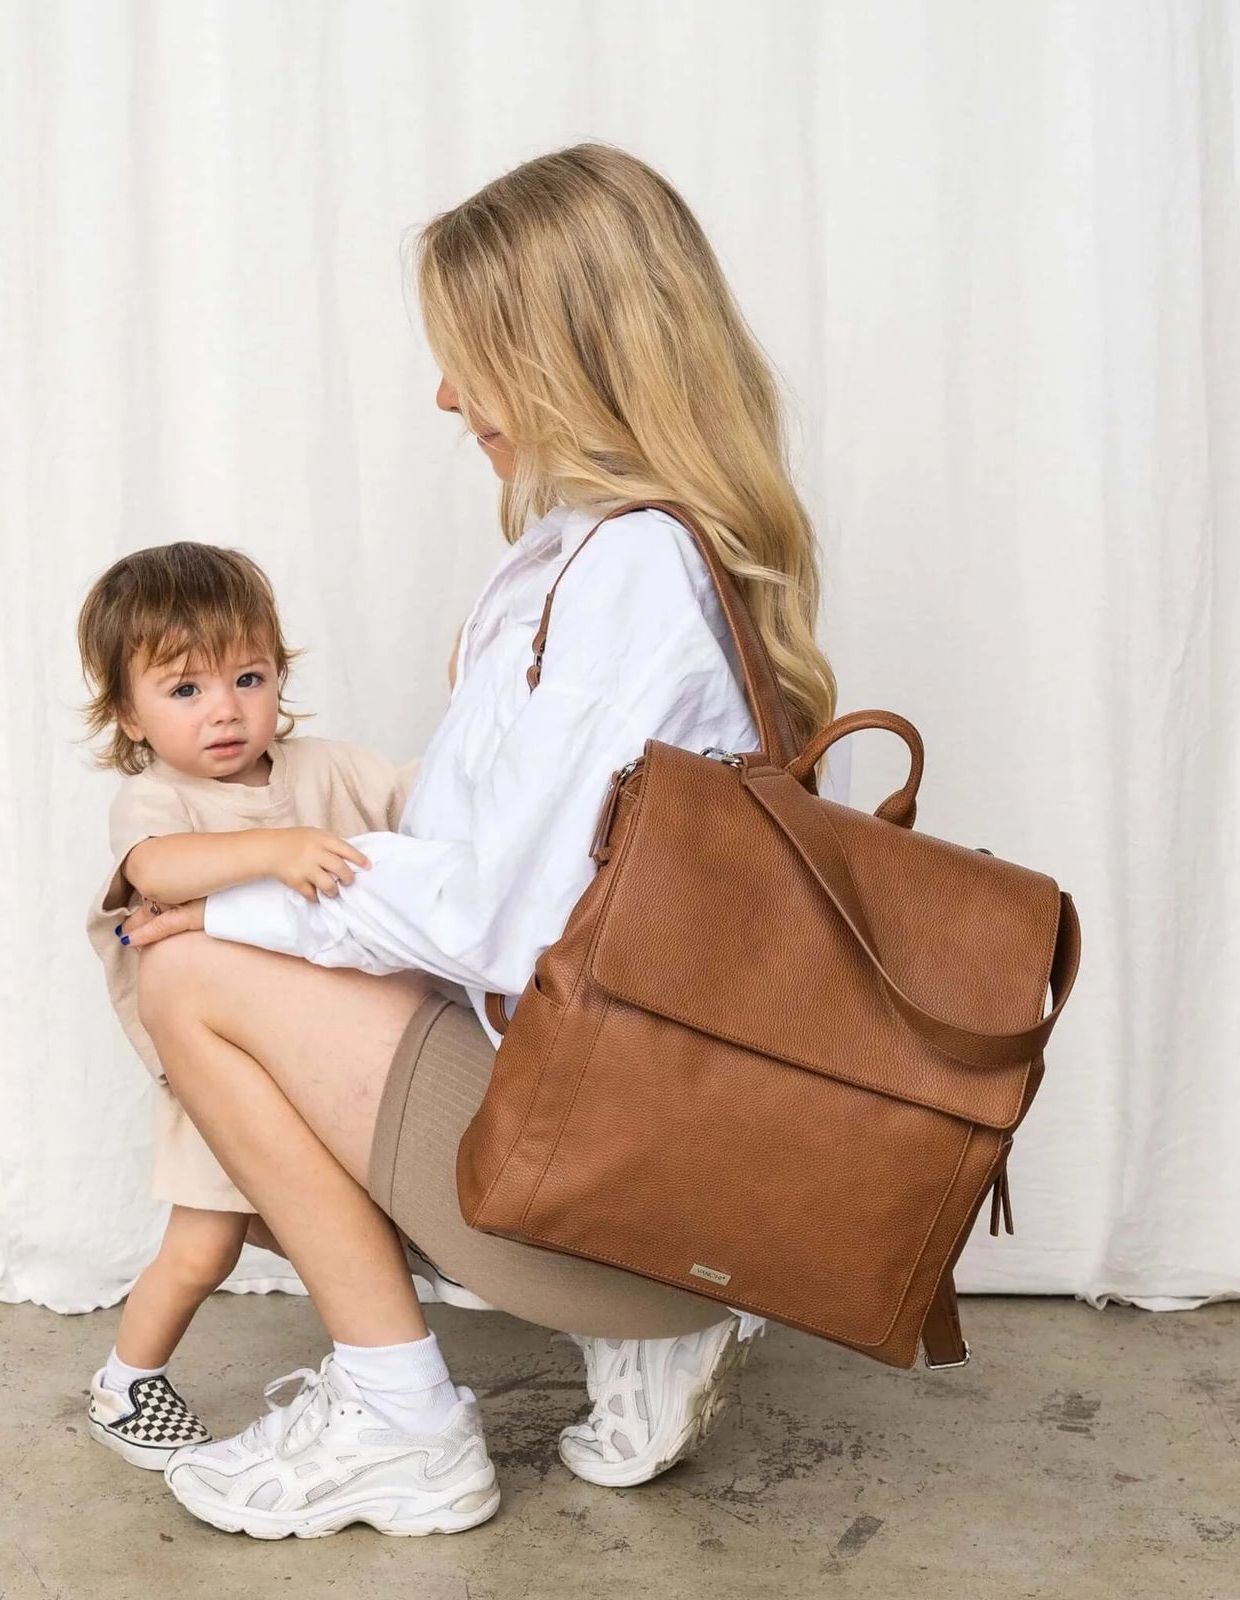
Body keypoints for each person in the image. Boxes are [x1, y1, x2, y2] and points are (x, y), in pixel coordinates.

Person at [122, 143, 840, 1540]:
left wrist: (237, 910)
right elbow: (504, 868)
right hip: (639, 1164)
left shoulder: (628, 571)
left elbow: (497, 925)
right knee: (221, 943)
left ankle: (404, 1419)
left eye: (472, 358)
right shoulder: (599, 553)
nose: (448, 396)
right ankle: (638, 1333)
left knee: (184, 979)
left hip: (612, 1203)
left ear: (566, 356)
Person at [75, 541, 414, 1467]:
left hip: (322, 1062)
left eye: (249, 677)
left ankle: (378, 1366)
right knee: (202, 1249)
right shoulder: (158, 804)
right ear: (127, 713)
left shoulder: (329, 771)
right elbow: (155, 873)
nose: (225, 710)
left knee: (351, 1216)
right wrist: (276, 852)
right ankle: (125, 1383)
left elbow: (425, 802)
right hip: (220, 1076)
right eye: (184, 690)